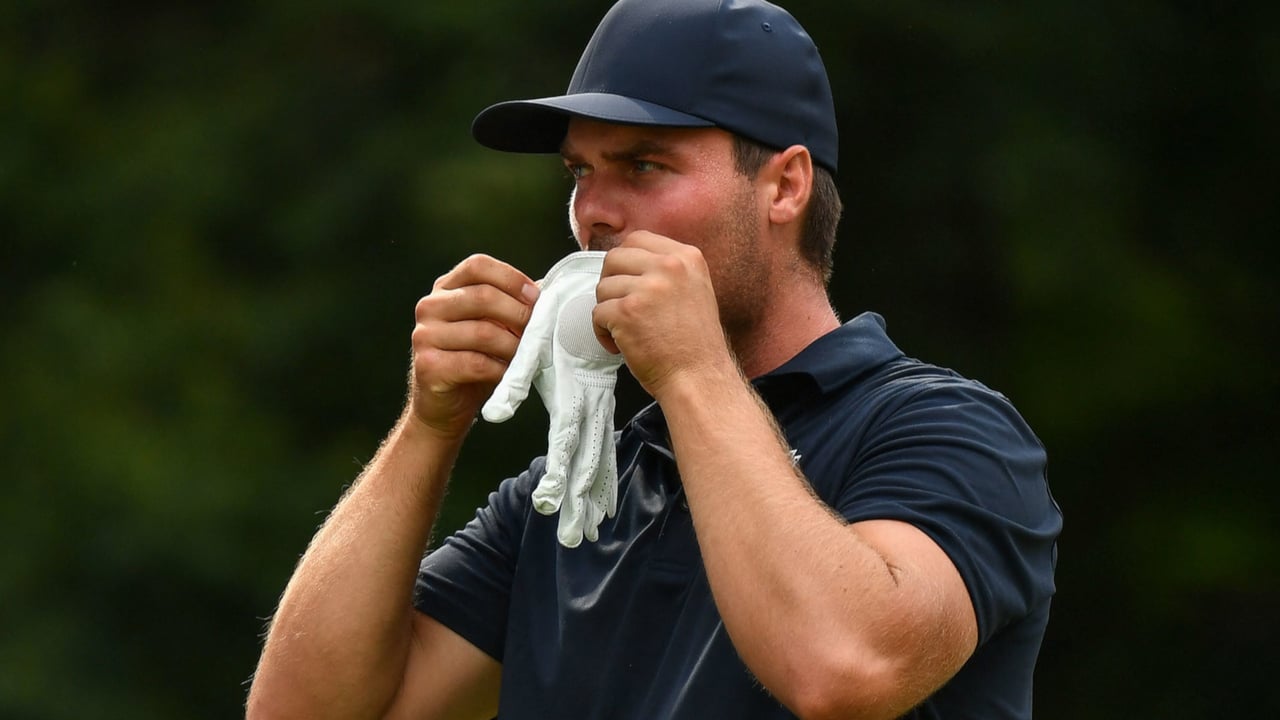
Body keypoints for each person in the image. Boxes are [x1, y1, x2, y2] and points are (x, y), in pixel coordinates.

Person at [247, 0, 1062, 718]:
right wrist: (428, 426)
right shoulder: (573, 490)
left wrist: (694, 370)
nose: (594, 213)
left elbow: (845, 670)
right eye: (580, 171)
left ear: (785, 187)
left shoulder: (948, 431)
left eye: (644, 165)